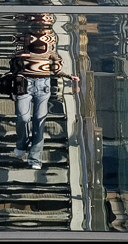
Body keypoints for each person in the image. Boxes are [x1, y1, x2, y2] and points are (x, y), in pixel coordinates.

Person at [10, 28, 79, 170]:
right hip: (24, 83)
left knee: (39, 122)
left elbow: (56, 68)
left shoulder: (49, 46)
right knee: (22, 118)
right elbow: (12, 62)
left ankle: (35, 158)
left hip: (43, 85)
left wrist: (68, 76)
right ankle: (22, 144)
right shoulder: (24, 41)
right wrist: (20, 57)